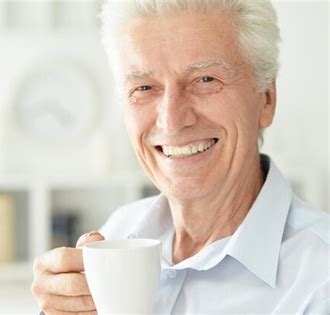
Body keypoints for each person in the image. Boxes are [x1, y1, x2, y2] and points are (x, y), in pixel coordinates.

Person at [31, 0, 329, 313]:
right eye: (145, 87)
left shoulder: (321, 280)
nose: (172, 120)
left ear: (266, 98)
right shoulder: (119, 230)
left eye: (206, 80)